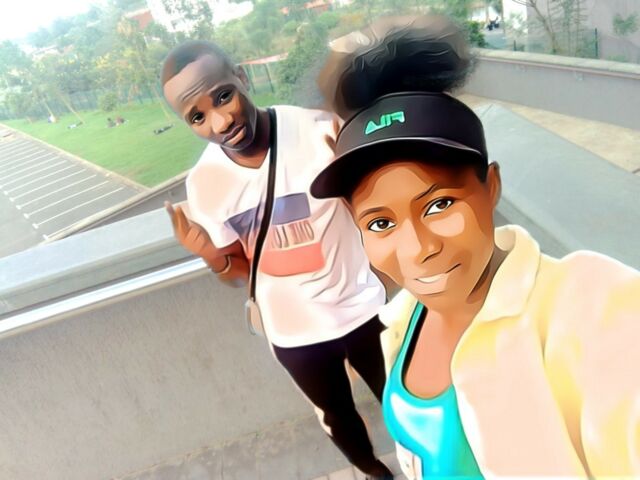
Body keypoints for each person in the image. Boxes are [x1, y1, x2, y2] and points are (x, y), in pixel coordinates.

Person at [310, 15, 640, 479]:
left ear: (492, 186)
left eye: (439, 204)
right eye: (381, 223)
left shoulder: (591, 308)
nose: (417, 249)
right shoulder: (404, 320)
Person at [161, 41, 393, 479]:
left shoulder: (318, 128)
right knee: (336, 417)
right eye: (197, 116)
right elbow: (239, 272)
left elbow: (378, 211)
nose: (220, 121)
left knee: (407, 401)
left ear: (242, 77)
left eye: (223, 96)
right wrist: (211, 255)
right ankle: (374, 473)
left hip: (365, 307)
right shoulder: (206, 184)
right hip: (295, 332)